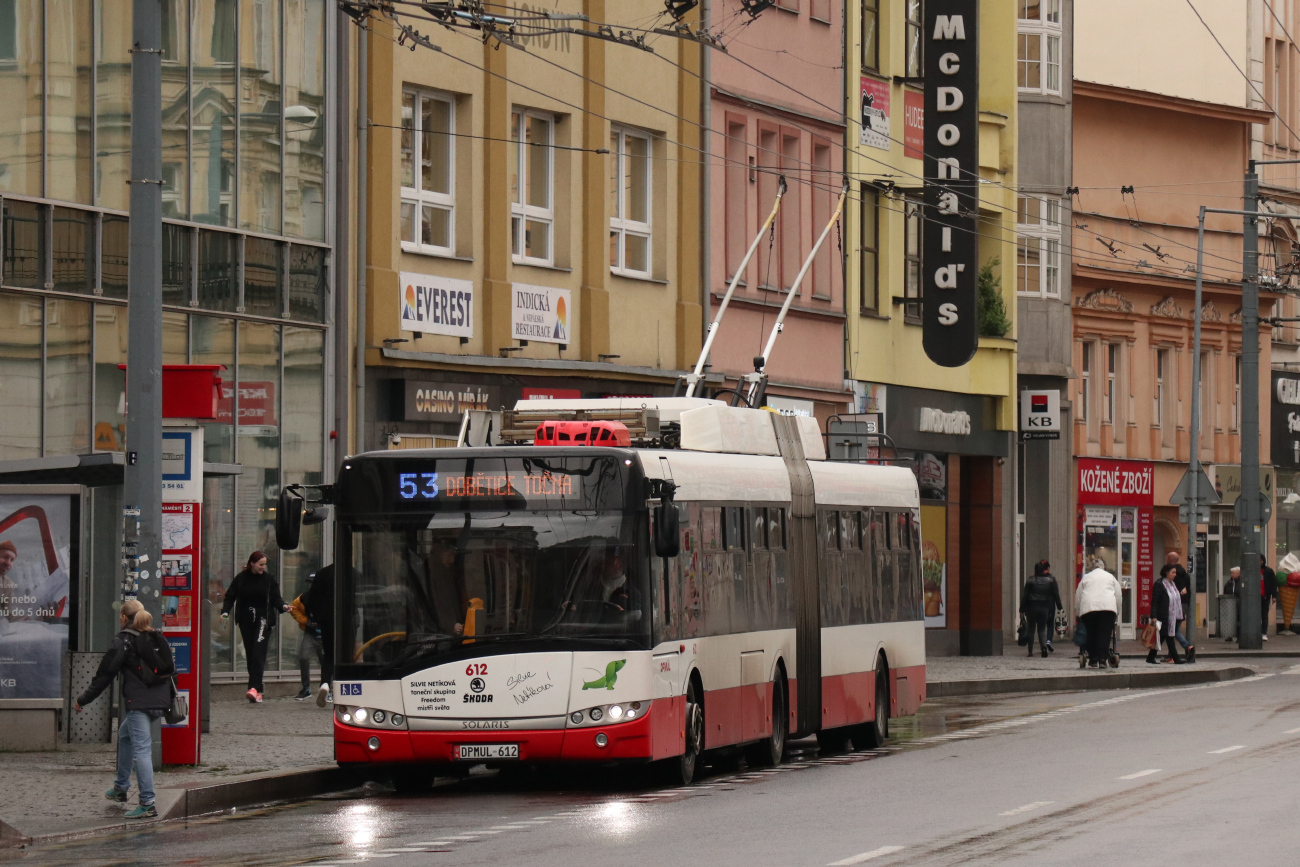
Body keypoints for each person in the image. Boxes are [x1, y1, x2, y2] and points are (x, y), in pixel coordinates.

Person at [72, 599, 171, 819]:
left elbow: (104, 675)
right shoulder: (156, 636)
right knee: (125, 736)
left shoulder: (124, 640)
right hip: (160, 702)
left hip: (139, 703)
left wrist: (82, 700)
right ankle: (120, 788)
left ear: (124, 618)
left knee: (142, 750)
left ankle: (147, 802)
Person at [220, 552, 289, 703]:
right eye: (261, 564)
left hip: (263, 620)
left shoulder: (268, 580)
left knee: (258, 652)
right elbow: (230, 596)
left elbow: (276, 598)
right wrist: (225, 612)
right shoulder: (241, 578)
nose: (263, 567)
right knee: (251, 654)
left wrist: (283, 606)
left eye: (265, 564)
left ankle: (253, 688)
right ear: (252, 563)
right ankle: (258, 690)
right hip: (246, 620)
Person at [1075, 558, 1122, 669]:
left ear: (1091, 567)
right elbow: (1118, 595)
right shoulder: (1110, 577)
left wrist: (1078, 612)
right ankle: (1102, 659)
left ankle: (1093, 658)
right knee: (1104, 634)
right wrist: (1117, 611)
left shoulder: (1086, 578)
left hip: (1088, 609)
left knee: (1091, 633)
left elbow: (1078, 596)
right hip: (1108, 609)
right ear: (1103, 566)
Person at [288, 574, 326, 702]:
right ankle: (305, 688)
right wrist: (304, 620)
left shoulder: (328, 596)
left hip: (325, 635)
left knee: (325, 662)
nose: (312, 585)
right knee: (303, 657)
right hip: (310, 634)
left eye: (314, 583)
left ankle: (328, 689)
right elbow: (293, 608)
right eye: (310, 583)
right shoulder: (304, 597)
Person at [302, 563, 335, 707]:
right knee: (347, 656)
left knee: (328, 655)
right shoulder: (352, 572)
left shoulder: (322, 573)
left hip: (326, 620)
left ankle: (325, 684)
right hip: (347, 620)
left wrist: (315, 615)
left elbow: (312, 599)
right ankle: (340, 690)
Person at [1020, 560, 1063, 658]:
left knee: (1031, 629)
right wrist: (1059, 606)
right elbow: (1055, 594)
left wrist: (1022, 609)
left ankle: (1030, 651)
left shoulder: (1030, 580)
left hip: (1031, 608)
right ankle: (1043, 646)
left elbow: (1025, 596)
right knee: (1042, 629)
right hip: (1044, 607)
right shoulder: (1050, 580)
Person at [1148, 567, 1186, 664]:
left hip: (1171, 616)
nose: (1175, 574)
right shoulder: (1159, 584)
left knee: (1163, 637)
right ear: (1167, 573)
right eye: (1173, 572)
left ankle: (1151, 657)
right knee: (1168, 637)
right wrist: (1154, 616)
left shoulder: (1173, 584)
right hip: (1163, 615)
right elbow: (1155, 601)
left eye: (1175, 572)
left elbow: (1173, 599)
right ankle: (1176, 659)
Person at [1223, 566, 1243, 641]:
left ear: (1238, 574)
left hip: (1239, 603)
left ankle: (1239, 636)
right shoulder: (1229, 583)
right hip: (1230, 603)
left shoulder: (1241, 582)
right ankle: (1229, 635)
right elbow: (1226, 590)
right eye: (1231, 573)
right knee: (1229, 619)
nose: (1232, 575)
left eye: (1233, 573)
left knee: (1238, 619)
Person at [1262, 555, 1279, 641]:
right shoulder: (1253, 571)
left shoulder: (1268, 571)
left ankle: (1264, 633)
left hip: (1265, 596)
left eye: (1261, 560)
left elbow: (1273, 584)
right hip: (1256, 598)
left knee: (1264, 615)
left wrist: (1274, 596)